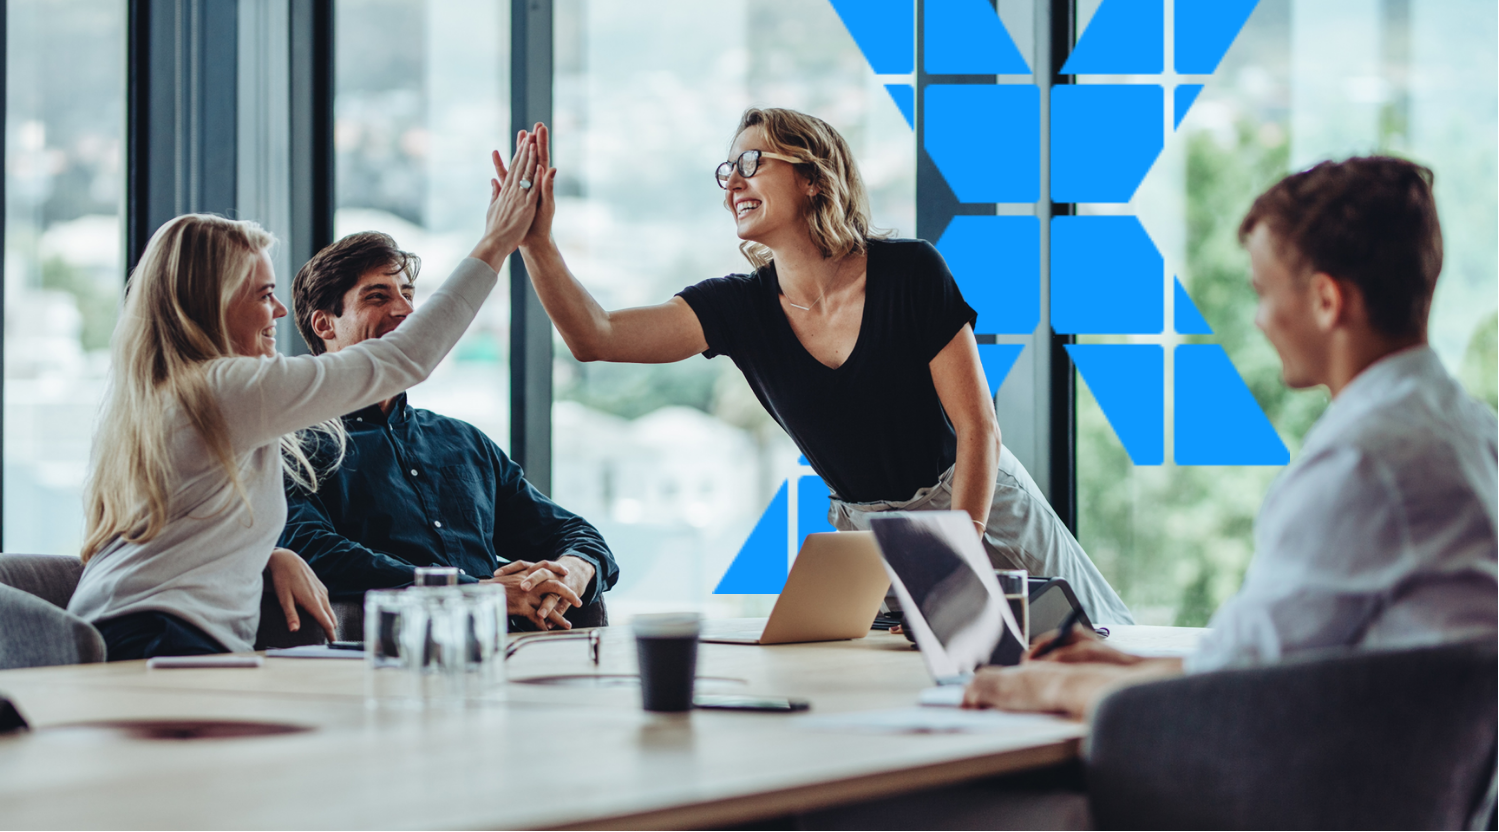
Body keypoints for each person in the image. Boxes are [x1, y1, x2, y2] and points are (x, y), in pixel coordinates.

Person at [504, 108, 1133, 626]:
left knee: (1097, 649)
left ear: (812, 177)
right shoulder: (738, 308)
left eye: (752, 163)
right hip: (871, 536)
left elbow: (979, 430)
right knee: (906, 690)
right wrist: (538, 243)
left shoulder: (910, 272)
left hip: (978, 501)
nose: (733, 184)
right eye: (728, 171)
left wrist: (952, 552)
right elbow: (596, 335)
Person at [964, 156, 1499, 717]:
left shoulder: (1363, 460)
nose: (1260, 320)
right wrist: (1123, 664)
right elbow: (1261, 659)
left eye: (1264, 293)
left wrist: (1042, 688)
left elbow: (1231, 695)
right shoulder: (1471, 431)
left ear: (1325, 301)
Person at [66, 134, 543, 660]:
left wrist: (269, 555)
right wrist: (495, 244)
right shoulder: (223, 388)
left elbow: (184, 530)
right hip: (159, 639)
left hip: (126, 629)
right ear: (213, 302)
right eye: (263, 295)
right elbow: (404, 359)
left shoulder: (170, 394)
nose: (279, 313)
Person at [278, 232, 619, 631]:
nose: (405, 310)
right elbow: (310, 549)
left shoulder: (463, 441)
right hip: (387, 656)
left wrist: (572, 571)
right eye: (378, 296)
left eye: (407, 294)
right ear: (325, 324)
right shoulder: (293, 444)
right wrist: (473, 591)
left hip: (510, 655)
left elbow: (573, 532)